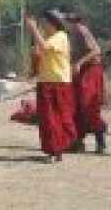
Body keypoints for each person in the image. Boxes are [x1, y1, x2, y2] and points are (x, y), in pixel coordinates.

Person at [25, 10, 77, 163]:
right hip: (46, 81)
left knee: (55, 118)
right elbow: (41, 52)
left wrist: (33, 29)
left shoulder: (61, 36)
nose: (43, 25)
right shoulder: (49, 37)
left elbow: (46, 47)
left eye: (45, 23)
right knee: (47, 118)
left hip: (58, 82)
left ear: (52, 23)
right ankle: (53, 150)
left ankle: (56, 150)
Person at [64, 11, 107, 153]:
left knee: (89, 105)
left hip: (91, 70)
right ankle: (77, 142)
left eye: (69, 20)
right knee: (75, 106)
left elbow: (96, 50)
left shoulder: (81, 29)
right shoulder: (66, 34)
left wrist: (79, 63)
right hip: (80, 72)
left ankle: (100, 142)